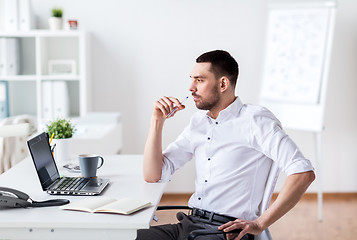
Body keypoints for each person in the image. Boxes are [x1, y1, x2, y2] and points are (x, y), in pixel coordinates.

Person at [137, 50, 315, 240]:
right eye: (192, 79)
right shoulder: (198, 123)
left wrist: (260, 224)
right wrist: (157, 121)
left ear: (223, 84)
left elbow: (303, 173)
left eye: (199, 80)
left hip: (226, 232)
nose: (191, 88)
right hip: (190, 224)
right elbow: (153, 175)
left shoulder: (255, 120)